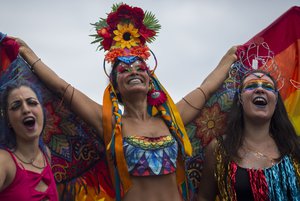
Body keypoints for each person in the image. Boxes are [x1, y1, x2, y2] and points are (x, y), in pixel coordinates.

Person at [12, 3, 237, 201]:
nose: (133, 72)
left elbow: (206, 89)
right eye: (124, 70)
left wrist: (232, 56)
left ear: (150, 82)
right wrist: (27, 53)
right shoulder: (109, 123)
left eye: (140, 68)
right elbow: (63, 88)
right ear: (115, 87)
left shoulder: (172, 118)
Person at [197, 69, 300, 200]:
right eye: (251, 86)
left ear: (275, 101)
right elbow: (204, 198)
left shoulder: (294, 148)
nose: (260, 90)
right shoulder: (219, 149)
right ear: (240, 98)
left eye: (268, 87)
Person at [0, 80, 59, 200]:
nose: (26, 109)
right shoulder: (3, 162)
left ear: (42, 112)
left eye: (32, 103)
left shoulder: (46, 154)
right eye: (16, 106)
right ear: (8, 121)